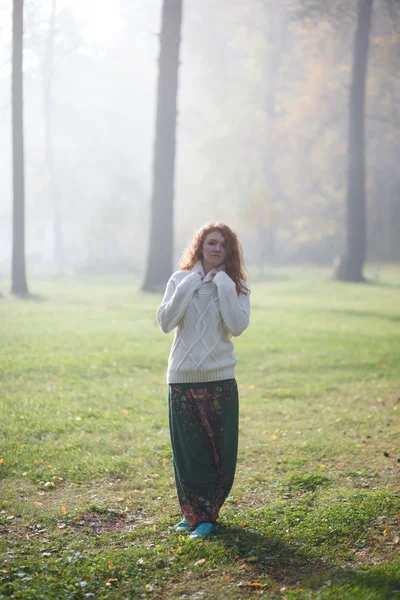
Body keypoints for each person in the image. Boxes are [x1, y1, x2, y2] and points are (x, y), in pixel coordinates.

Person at [156, 223, 250, 539]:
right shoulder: (179, 279)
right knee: (188, 453)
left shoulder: (235, 285)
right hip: (181, 378)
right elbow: (166, 322)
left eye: (223, 245)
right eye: (211, 243)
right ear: (200, 246)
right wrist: (191, 283)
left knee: (219, 453)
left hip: (219, 378)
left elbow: (237, 325)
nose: (216, 249)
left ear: (229, 251)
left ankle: (208, 514)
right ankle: (195, 514)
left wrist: (223, 283)